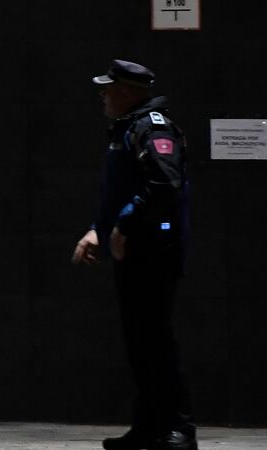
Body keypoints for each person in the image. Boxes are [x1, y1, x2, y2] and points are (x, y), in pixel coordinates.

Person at [72, 60, 197, 450]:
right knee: (141, 343)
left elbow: (164, 184)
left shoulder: (152, 127)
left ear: (128, 91)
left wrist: (123, 226)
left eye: (108, 89)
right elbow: (118, 190)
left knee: (156, 341)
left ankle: (179, 429)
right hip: (133, 252)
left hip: (154, 250)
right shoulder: (127, 129)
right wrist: (98, 229)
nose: (102, 95)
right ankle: (149, 427)